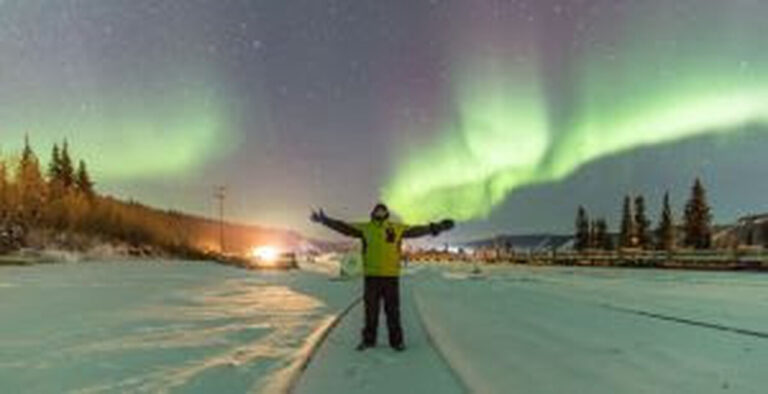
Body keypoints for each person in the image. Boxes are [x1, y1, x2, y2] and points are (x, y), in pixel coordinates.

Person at [311, 203, 454, 351]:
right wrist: (325, 221)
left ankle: (397, 342)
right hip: (372, 277)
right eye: (377, 210)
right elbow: (344, 228)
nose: (380, 212)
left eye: (383, 210)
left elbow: (417, 230)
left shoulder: (396, 228)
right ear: (373, 213)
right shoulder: (365, 228)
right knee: (370, 311)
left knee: (393, 311)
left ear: (386, 213)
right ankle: (368, 341)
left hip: (390, 277)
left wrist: (438, 227)